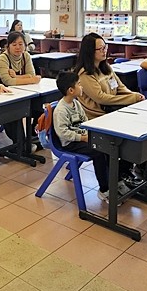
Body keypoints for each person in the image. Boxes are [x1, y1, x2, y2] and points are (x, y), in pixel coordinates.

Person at [51, 71, 129, 201]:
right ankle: (104, 189)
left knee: (109, 147)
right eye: (79, 84)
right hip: (70, 143)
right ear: (71, 90)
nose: (81, 87)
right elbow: (63, 133)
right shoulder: (61, 110)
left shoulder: (76, 103)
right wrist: (82, 137)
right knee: (99, 152)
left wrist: (89, 134)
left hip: (83, 137)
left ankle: (115, 181)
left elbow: (84, 121)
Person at [74, 33, 145, 119]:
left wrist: (134, 95)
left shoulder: (105, 67)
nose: (104, 51)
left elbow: (120, 87)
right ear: (90, 51)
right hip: (97, 116)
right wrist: (131, 98)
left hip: (112, 109)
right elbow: (101, 98)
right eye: (100, 49)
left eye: (105, 47)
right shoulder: (85, 74)